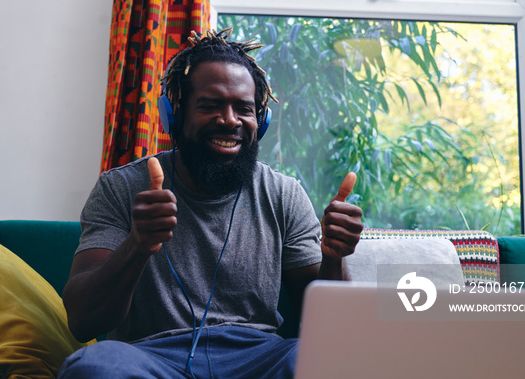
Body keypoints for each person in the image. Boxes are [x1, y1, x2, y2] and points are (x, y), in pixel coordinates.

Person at [58, 28, 363, 379]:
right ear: (174, 116)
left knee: (331, 358)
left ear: (259, 122)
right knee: (93, 367)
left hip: (258, 358)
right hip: (153, 358)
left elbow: (330, 327)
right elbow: (83, 322)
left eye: (244, 109)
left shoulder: (283, 194)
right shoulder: (121, 188)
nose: (230, 120)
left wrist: (334, 257)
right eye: (210, 105)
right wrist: (137, 247)